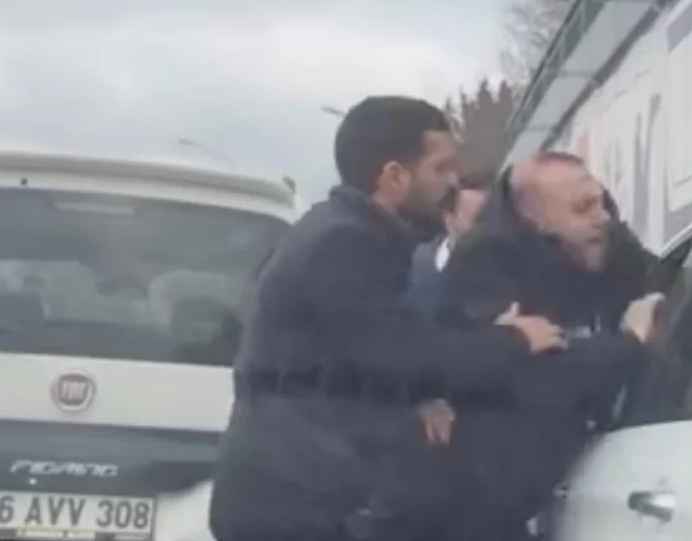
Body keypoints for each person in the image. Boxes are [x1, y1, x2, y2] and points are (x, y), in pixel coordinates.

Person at [209, 96, 565, 541]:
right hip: (293, 499)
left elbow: (361, 351)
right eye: (440, 168)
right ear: (394, 175)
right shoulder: (344, 242)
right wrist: (514, 340)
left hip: (296, 483)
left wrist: (417, 396)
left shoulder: (346, 231)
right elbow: (397, 353)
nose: (451, 182)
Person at [436, 151, 663, 541]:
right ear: (535, 218)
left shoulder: (602, 235)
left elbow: (668, 282)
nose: (601, 217)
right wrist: (629, 341)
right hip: (492, 502)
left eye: (600, 201)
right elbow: (537, 379)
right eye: (582, 208)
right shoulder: (485, 263)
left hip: (586, 473)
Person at [406, 171, 491, 318]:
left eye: (492, 219)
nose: (488, 229)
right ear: (450, 222)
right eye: (478, 220)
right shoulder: (411, 265)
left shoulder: (507, 274)